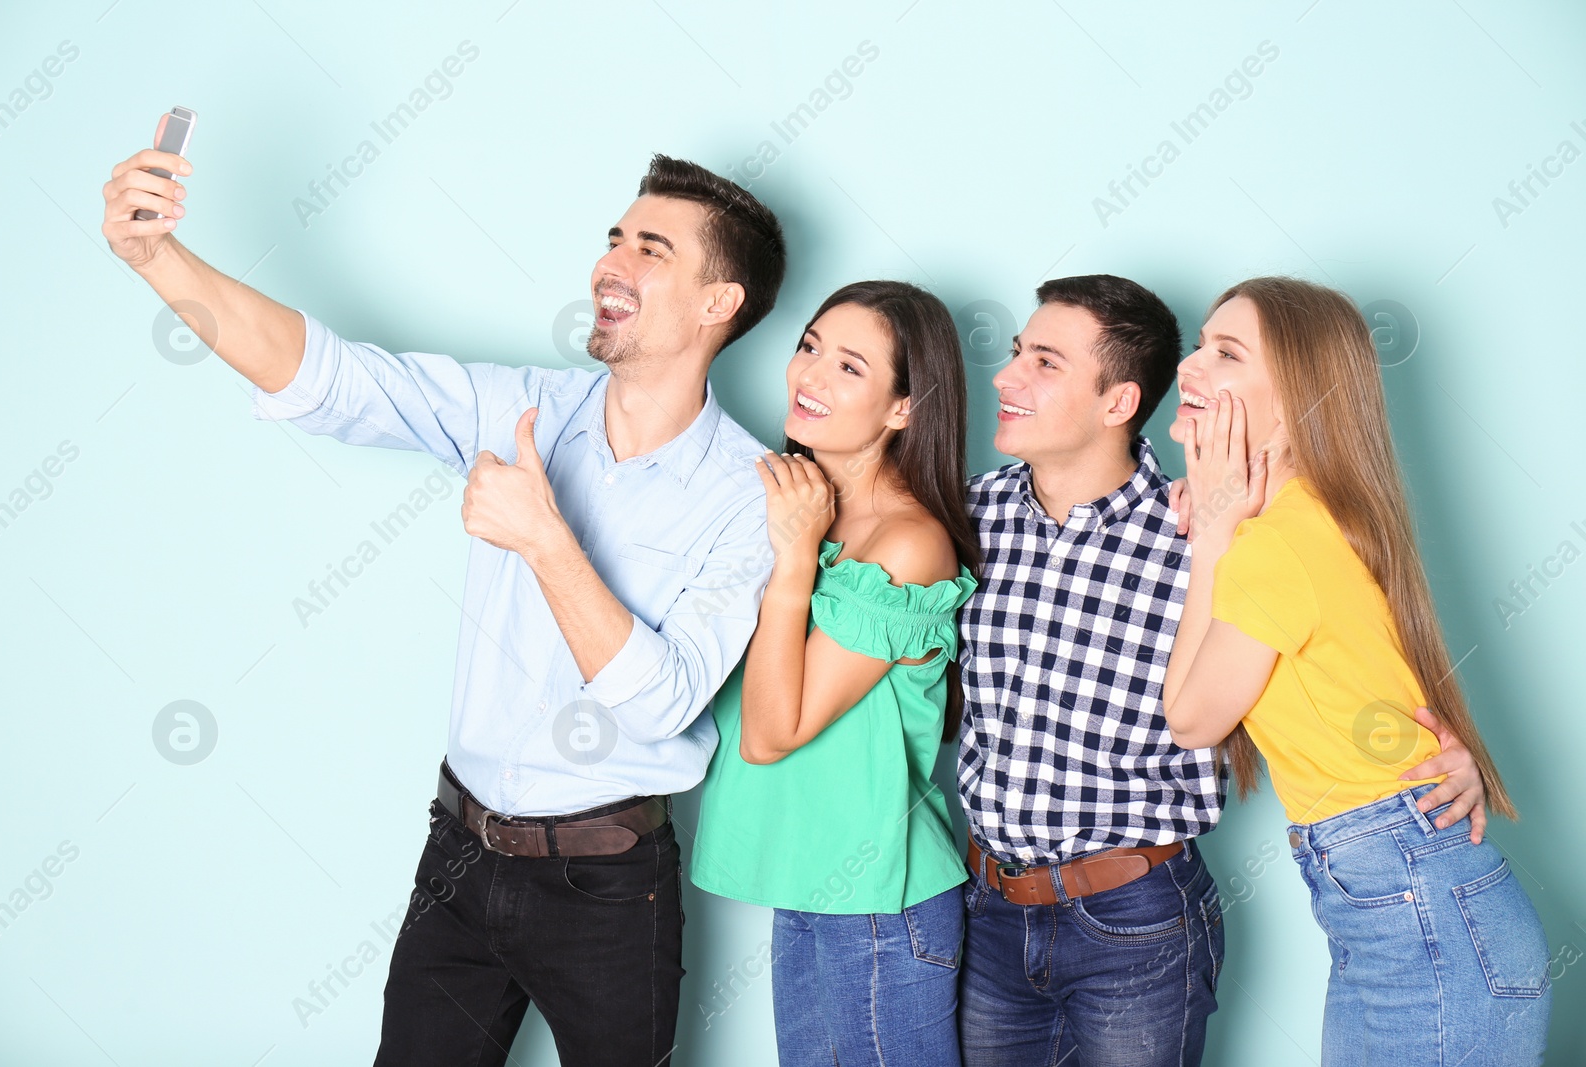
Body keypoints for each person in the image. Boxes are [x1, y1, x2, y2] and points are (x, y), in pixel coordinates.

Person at [101, 116, 787, 1067]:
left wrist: (545, 536)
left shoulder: (757, 498)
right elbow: (330, 377)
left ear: (720, 301)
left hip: (611, 888)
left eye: (651, 248)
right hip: (459, 854)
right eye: (613, 238)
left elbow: (664, 701)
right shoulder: (513, 409)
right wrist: (158, 260)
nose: (611, 262)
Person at [955, 275, 1490, 1066]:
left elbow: (1355, 653)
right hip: (993, 908)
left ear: (1117, 402)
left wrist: (1442, 761)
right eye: (1015, 354)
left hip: (1132, 919)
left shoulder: (1217, 526)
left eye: (1044, 362)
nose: (1005, 377)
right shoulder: (970, 516)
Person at [1161, 276, 1550, 1065]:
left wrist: (1211, 535)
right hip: (1399, 890)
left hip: (1413, 895)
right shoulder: (1297, 520)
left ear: (1297, 393)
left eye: (1226, 352)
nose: (1191, 366)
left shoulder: (1278, 542)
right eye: (1199, 343)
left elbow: (1192, 718)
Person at [690, 281, 979, 1065]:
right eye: (810, 346)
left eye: (850, 366)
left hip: (883, 903)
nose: (810, 375)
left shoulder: (909, 542)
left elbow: (771, 732)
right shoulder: (796, 500)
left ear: (903, 409)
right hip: (810, 883)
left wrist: (792, 561)